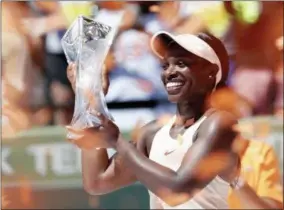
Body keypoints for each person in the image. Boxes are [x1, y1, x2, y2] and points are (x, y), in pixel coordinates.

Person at [66, 32, 283, 209]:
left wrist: (117, 142)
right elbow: (97, 182)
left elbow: (178, 191)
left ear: (211, 72)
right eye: (165, 65)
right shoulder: (153, 133)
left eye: (181, 63)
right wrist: (89, 101)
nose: (169, 72)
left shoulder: (220, 123)